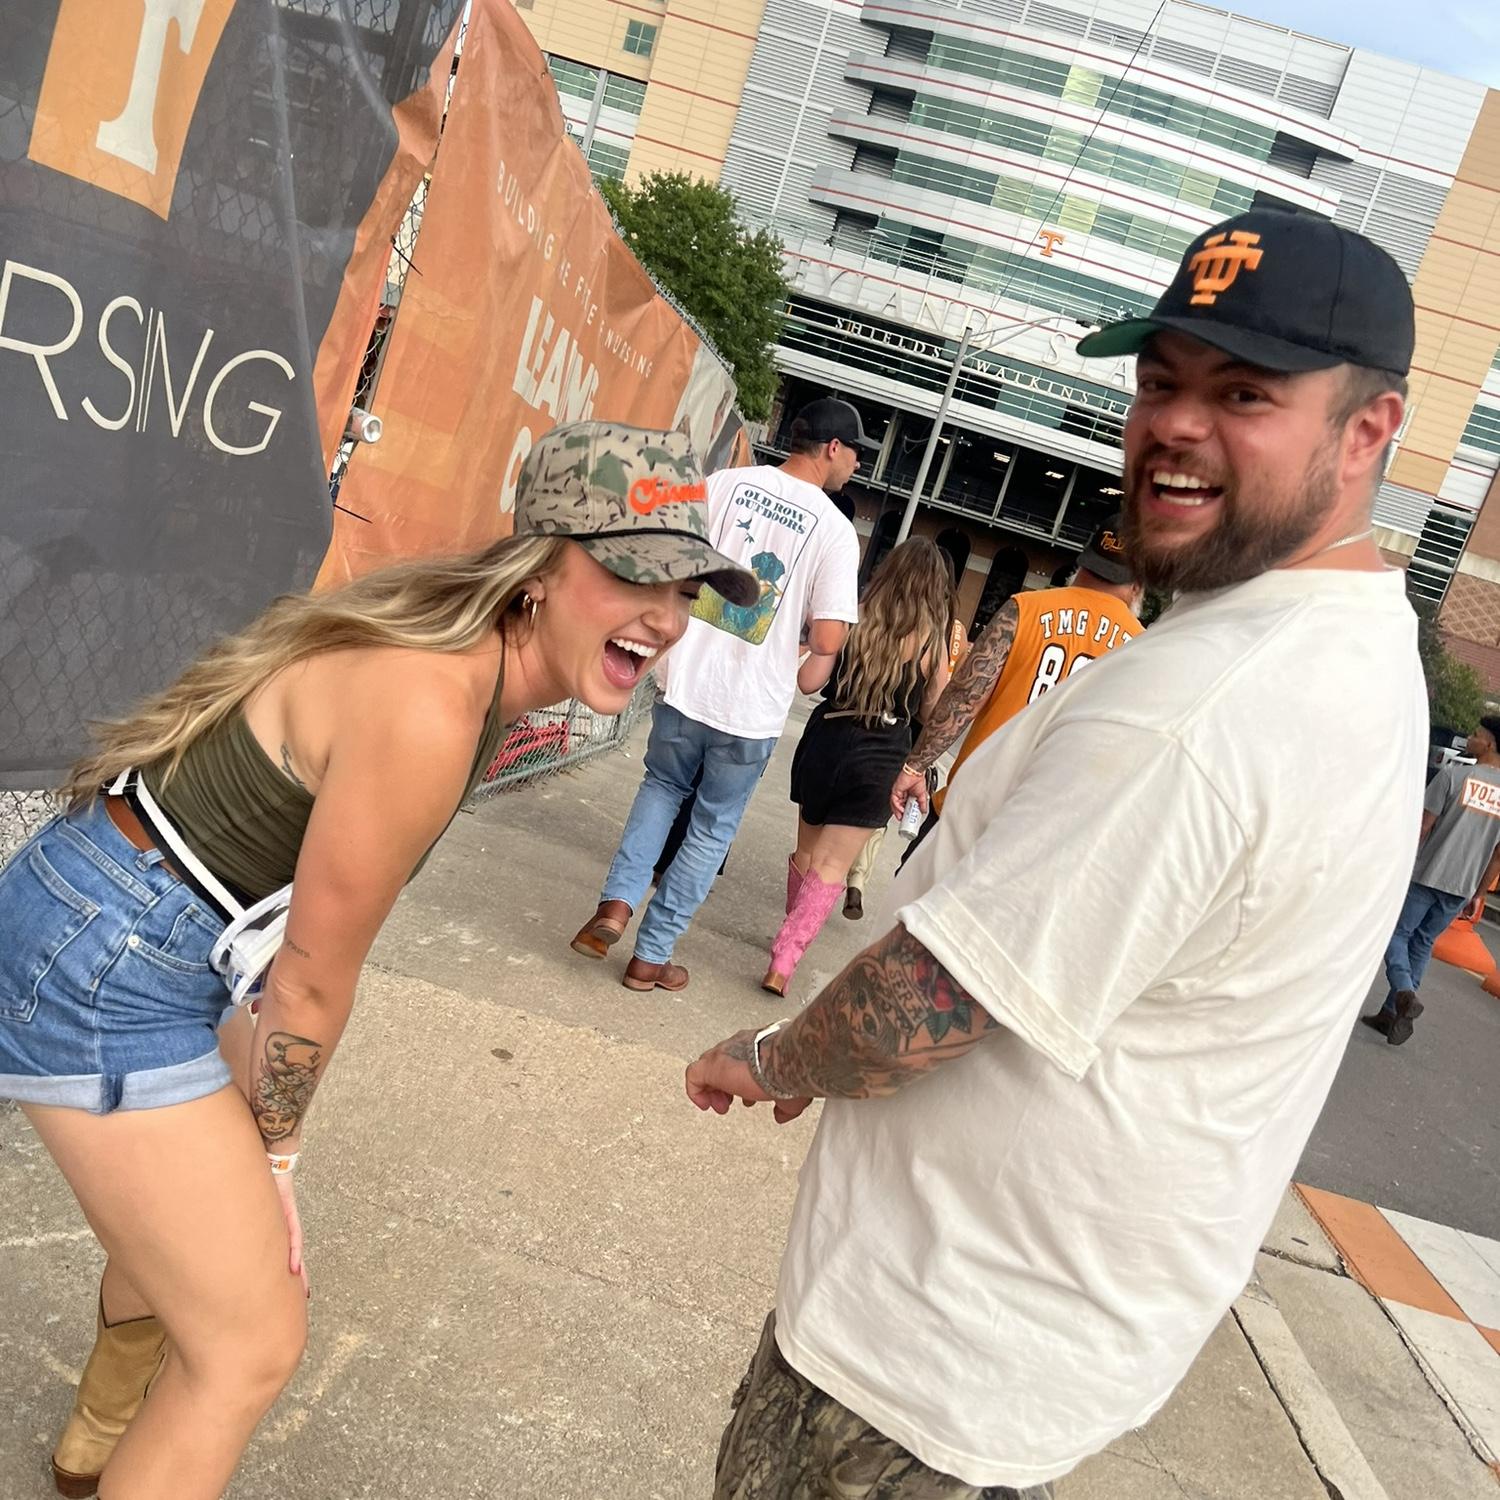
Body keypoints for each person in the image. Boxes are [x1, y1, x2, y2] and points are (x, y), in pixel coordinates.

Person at [684, 207, 1425, 1497]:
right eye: (1160, 382)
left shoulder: (1207, 705)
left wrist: (770, 1057)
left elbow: (936, 998)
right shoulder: (1339, 645)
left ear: (1369, 430)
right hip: (1020, 1337)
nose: (1175, 426)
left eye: (1243, 393)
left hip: (926, 1358)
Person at [0, 421, 753, 1500]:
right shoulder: (432, 702)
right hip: (111, 953)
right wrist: (278, 1158)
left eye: (685, 590)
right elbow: (311, 979)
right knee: (251, 1345)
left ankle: (96, 1444)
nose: (666, 618)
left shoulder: (468, 662)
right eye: (634, 575)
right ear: (539, 570)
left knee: (201, 1241)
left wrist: (260, 1149)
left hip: (139, 926)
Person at [571, 397, 867, 992]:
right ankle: (651, 957)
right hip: (750, 709)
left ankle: (616, 905)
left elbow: (671, 558)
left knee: (661, 788)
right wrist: (794, 634)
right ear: (833, 448)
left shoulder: (723, 484)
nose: (858, 466)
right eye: (857, 453)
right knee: (710, 829)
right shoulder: (835, 530)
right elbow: (829, 637)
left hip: (685, 680)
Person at [764, 538, 954, 995]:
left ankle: (790, 929)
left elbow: (810, 680)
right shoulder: (932, 642)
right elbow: (936, 712)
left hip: (828, 739)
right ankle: (784, 960)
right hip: (883, 754)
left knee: (807, 851)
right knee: (833, 865)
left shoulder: (853, 615)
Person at [889, 516, 1142, 855]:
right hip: (1047, 838)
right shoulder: (1142, 650)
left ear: (1083, 562)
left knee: (917, 890)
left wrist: (915, 766)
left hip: (970, 811)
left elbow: (964, 697)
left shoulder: (1026, 609)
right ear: (1138, 583)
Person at [1363, 714, 1500, 1046]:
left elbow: (1423, 826)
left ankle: (1404, 992)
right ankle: (1391, 1015)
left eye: (1475, 734)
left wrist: (1400, 863)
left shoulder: (1454, 775)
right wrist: (1479, 893)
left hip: (1428, 873)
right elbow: (1498, 855)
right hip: (1463, 884)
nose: (1469, 738)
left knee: (1396, 933)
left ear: (1489, 744)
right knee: (1423, 943)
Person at [843, 610, 968, 921]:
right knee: (883, 809)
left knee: (862, 802)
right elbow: (947, 695)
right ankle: (858, 877)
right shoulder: (955, 632)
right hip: (915, 736)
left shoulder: (896, 616)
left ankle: (844, 869)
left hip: (879, 721)